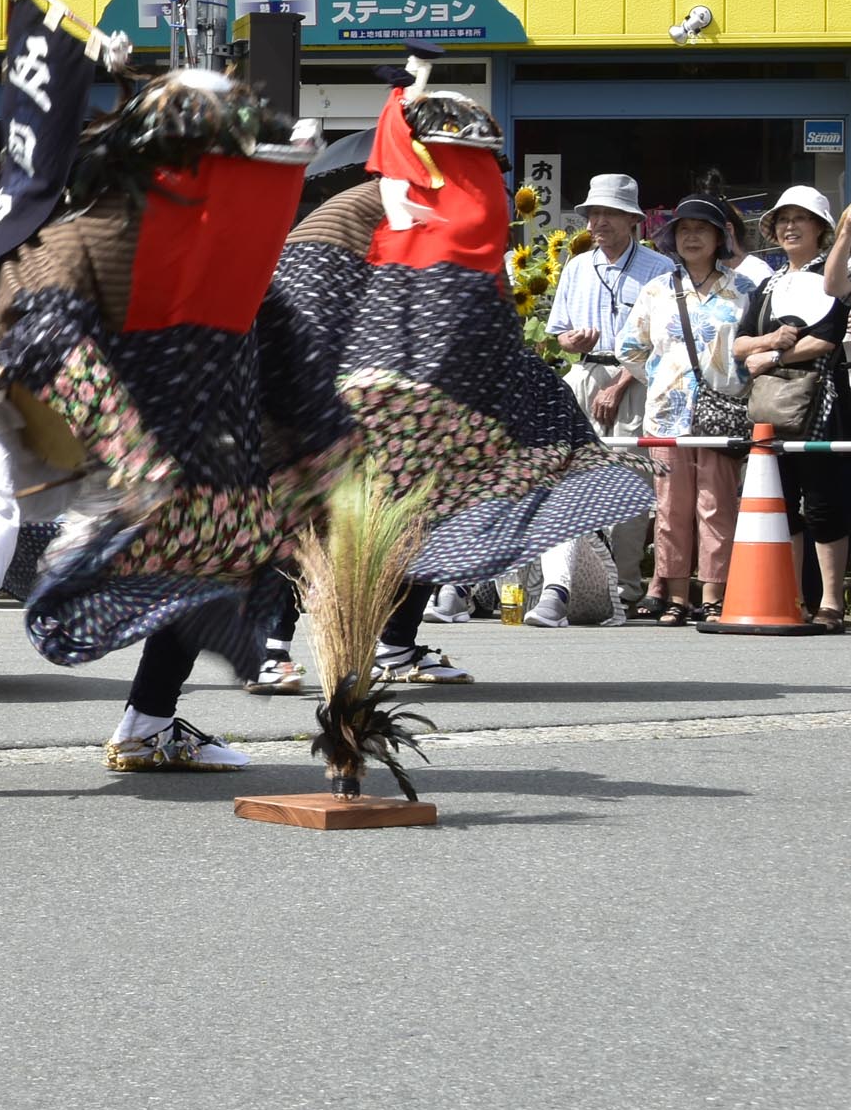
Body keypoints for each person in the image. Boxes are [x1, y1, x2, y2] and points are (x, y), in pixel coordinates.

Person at [0, 55, 346, 810]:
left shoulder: (219, 234)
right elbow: (47, 343)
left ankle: (149, 727)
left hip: (109, 402)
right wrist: (135, 462)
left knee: (206, 529)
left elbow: (275, 346)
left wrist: (324, 454)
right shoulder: (84, 220)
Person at [254, 72, 651, 670]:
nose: (484, 170)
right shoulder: (357, 210)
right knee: (315, 516)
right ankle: (273, 645)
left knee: (436, 514)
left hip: (423, 401)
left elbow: (485, 321)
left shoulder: (463, 218)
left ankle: (395, 643)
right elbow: (300, 313)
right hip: (341, 391)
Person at [530, 173, 669, 618]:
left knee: (631, 481)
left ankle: (625, 585)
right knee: (572, 481)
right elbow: (557, 335)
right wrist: (573, 343)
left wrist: (622, 381)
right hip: (584, 375)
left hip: (637, 379)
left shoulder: (659, 269)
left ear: (633, 220)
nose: (599, 222)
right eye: (593, 214)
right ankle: (573, 584)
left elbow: (660, 343)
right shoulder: (576, 266)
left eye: (609, 213)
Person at [620, 195, 746, 624]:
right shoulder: (656, 289)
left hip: (721, 413)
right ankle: (675, 597)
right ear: (673, 239)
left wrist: (733, 385)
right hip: (666, 416)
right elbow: (629, 348)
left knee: (717, 505)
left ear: (719, 238)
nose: (692, 236)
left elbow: (749, 352)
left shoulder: (742, 290)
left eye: (702, 229)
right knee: (670, 508)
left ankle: (714, 596)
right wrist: (661, 378)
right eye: (684, 229)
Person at [739, 185, 848, 628]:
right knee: (779, 501)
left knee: (823, 503)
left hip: (825, 398)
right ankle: (794, 598)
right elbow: (741, 345)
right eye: (782, 219)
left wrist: (776, 357)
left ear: (822, 228)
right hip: (770, 405)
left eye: (800, 218)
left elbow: (828, 338)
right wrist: (769, 344)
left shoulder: (835, 275)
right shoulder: (768, 282)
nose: (789, 226)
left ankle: (831, 603)